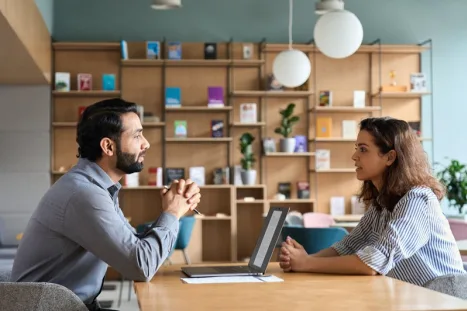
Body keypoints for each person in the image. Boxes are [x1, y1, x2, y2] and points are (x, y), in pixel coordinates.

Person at [11, 98, 201, 311]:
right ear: (108, 146)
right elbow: (141, 266)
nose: (146, 143)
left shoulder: (96, 187)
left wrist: (171, 210)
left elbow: (137, 250)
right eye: (137, 135)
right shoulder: (84, 194)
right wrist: (172, 212)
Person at [280, 117, 466, 286]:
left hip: (446, 300)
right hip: (415, 300)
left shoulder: (418, 200)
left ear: (390, 157)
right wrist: (303, 259)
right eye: (357, 149)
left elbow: (374, 263)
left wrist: (306, 263)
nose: (355, 157)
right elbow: (347, 247)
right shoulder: (382, 204)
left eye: (363, 149)